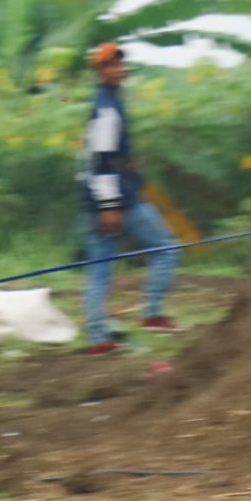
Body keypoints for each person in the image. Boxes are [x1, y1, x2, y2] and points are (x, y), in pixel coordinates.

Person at [78, 45, 182, 353]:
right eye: (111, 65)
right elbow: (101, 161)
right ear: (100, 72)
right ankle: (150, 315)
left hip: (109, 194)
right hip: (117, 198)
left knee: (100, 268)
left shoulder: (110, 102)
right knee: (166, 248)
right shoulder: (106, 109)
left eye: (120, 64)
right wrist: (109, 206)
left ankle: (100, 337)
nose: (119, 69)